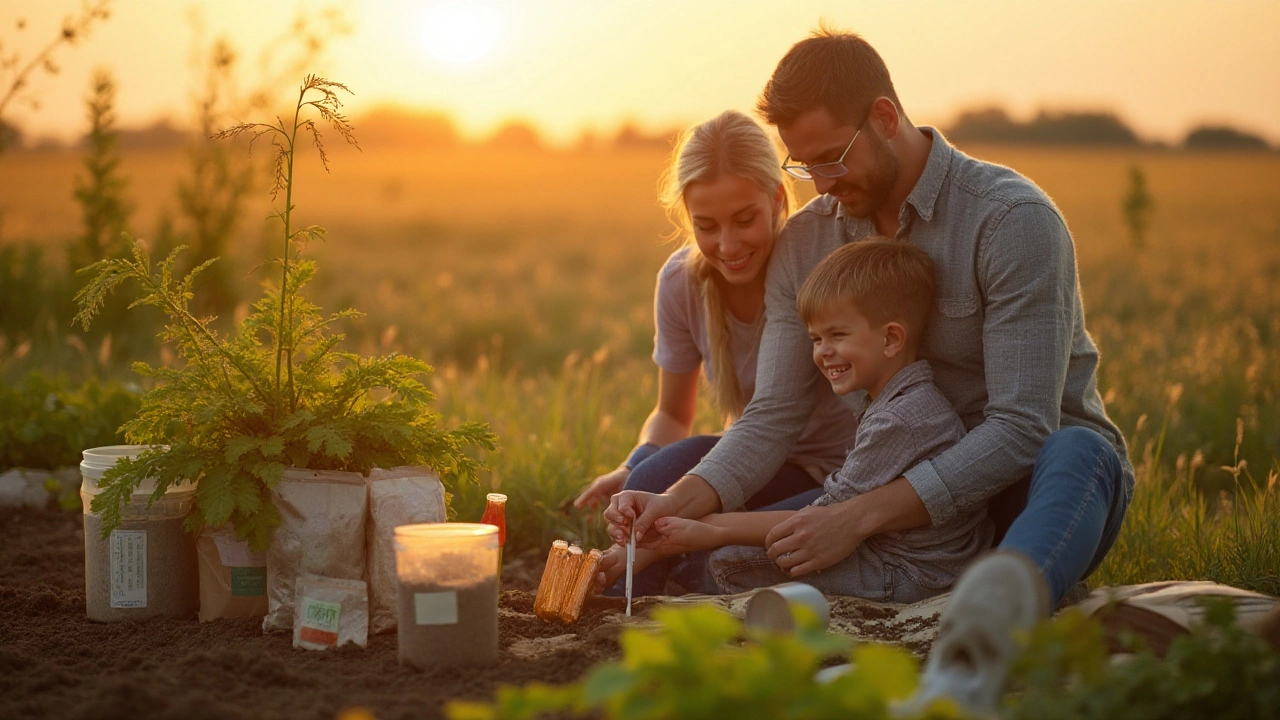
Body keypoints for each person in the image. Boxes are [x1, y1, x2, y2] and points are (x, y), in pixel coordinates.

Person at [605, 25, 1133, 714]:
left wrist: (854, 518)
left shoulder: (1010, 221)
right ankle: (945, 599)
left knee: (1078, 447)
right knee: (711, 564)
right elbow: (772, 415)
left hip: (1026, 489)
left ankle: (980, 645)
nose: (819, 185)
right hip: (890, 502)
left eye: (831, 158)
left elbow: (1022, 427)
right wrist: (673, 508)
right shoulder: (810, 239)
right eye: (803, 167)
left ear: (884, 117)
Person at [573, 109, 857, 595]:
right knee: (651, 476)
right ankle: (618, 622)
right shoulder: (680, 282)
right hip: (745, 466)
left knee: (711, 557)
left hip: (832, 473)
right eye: (706, 226)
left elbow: (776, 417)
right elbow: (671, 413)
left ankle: (672, 578)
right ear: (686, 217)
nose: (728, 245)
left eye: (744, 220)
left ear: (775, 200)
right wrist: (630, 467)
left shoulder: (816, 273)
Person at [645, 239, 992, 602]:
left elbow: (822, 520)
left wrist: (713, 529)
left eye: (837, 335)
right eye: (815, 339)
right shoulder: (902, 400)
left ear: (891, 338)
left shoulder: (897, 419)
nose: (823, 352)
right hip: (918, 556)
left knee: (731, 562)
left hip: (911, 572)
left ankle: (684, 587)